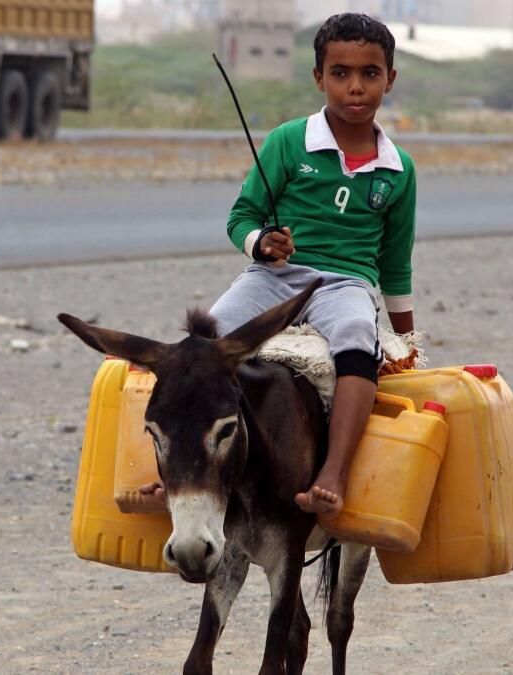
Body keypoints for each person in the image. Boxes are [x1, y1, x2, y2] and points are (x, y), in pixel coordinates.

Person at [141, 12, 416, 522]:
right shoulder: (288, 141)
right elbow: (241, 217)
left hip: (346, 284)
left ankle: (332, 473)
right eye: (340, 73)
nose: (355, 87)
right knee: (199, 348)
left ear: (390, 79)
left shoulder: (400, 169)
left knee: (358, 334)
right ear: (319, 78)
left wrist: (409, 342)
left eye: (370, 74)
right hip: (272, 279)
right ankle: (167, 478)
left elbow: (395, 264)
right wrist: (262, 244)